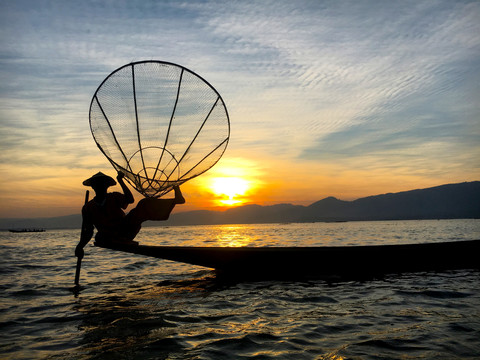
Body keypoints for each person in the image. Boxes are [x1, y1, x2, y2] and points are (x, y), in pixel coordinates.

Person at [75, 171, 185, 259]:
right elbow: (88, 230)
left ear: (107, 186)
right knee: (101, 237)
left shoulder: (114, 197)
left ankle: (175, 200)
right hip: (107, 236)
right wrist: (80, 247)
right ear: (93, 187)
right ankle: (120, 241)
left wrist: (121, 181)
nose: (100, 187)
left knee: (144, 203)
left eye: (102, 184)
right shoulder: (88, 208)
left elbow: (130, 200)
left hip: (125, 230)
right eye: (97, 185)